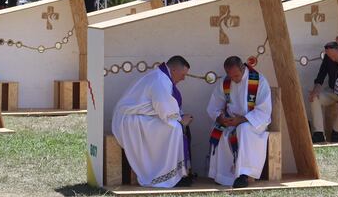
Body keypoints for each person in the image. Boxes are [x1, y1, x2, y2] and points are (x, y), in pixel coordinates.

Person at [111, 55, 193, 188]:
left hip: (139, 117)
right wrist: (181, 120)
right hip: (130, 120)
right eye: (183, 75)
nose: (184, 78)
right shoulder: (160, 80)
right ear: (174, 70)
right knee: (175, 128)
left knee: (175, 126)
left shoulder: (161, 76)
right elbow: (165, 111)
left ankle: (176, 173)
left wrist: (180, 117)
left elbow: (164, 108)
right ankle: (162, 175)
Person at [207, 56, 272, 188]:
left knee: (243, 129)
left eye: (237, 75)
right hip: (232, 121)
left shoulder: (259, 81)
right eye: (231, 76)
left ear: (243, 68)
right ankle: (223, 176)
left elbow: (264, 110)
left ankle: (244, 175)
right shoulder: (225, 82)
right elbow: (214, 106)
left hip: (254, 121)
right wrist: (221, 118)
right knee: (218, 129)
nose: (234, 80)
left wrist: (241, 120)